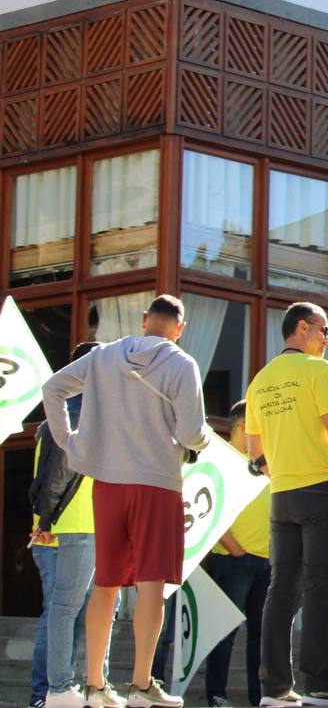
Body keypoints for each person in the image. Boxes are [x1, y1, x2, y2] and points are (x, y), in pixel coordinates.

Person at [42, 294, 213, 708]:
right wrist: (204, 440)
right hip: (156, 481)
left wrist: (70, 443)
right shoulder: (181, 363)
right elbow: (192, 433)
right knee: (152, 582)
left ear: (143, 320)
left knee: (106, 583)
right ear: (180, 327)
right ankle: (140, 686)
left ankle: (96, 686)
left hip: (109, 482)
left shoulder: (103, 356)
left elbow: (53, 387)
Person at [245, 302, 328, 707]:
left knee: (281, 590)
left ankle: (274, 689)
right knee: (322, 589)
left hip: (282, 496)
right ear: (301, 328)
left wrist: (272, 470)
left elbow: (253, 447)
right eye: (323, 330)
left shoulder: (259, 381)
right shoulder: (317, 370)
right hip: (322, 488)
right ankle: (321, 686)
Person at [30, 342, 103, 708]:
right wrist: (46, 521)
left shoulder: (63, 413)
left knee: (64, 612)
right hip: (65, 527)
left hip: (60, 528)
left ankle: (53, 692)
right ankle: (51, 692)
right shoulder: (74, 411)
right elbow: (59, 475)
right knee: (63, 612)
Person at [204, 401, 272, 708]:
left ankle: (260, 698)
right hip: (234, 560)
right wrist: (235, 549)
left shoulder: (266, 462)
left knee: (262, 636)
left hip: (267, 562)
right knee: (225, 633)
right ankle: (217, 695)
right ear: (244, 426)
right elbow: (207, 510)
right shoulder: (220, 460)